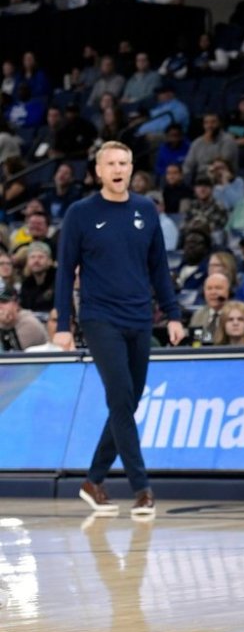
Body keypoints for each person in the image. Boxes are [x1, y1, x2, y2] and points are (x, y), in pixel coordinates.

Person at [54, 141, 186, 518]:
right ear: (98, 171)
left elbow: (159, 268)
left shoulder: (145, 209)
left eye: (124, 162)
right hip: (99, 318)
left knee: (128, 401)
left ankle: (93, 481)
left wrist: (173, 315)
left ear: (131, 168)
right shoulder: (80, 214)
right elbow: (64, 272)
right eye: (110, 163)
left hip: (140, 318)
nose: (118, 168)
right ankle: (141, 488)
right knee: (121, 396)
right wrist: (64, 324)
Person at [0, 287, 48, 351]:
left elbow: (15, 355)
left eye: (4, 302)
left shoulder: (28, 323)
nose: (0, 306)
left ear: (16, 304)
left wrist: (3, 326)